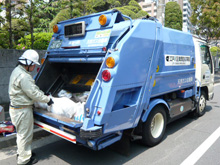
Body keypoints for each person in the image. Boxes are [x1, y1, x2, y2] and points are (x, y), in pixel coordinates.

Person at [8, 49, 53, 165]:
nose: (34, 67)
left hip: (16, 109)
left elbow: (32, 89)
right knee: (25, 136)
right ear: (28, 64)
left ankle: (22, 153)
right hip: (22, 111)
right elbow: (33, 93)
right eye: (33, 65)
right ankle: (24, 160)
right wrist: (47, 99)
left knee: (21, 134)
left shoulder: (17, 71)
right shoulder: (24, 76)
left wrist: (42, 93)